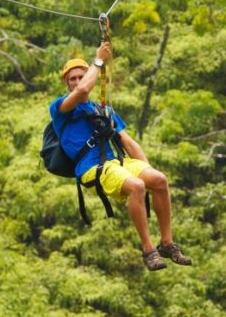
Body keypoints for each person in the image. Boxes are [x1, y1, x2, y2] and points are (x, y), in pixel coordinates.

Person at [50, 42, 192, 271]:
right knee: (136, 186)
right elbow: (82, 92)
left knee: (159, 180)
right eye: (72, 79)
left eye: (80, 76)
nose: (77, 81)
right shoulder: (60, 108)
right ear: (66, 83)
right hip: (91, 168)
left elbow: (127, 141)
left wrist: (148, 171)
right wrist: (98, 61)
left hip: (117, 162)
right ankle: (148, 250)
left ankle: (167, 243)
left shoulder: (103, 110)